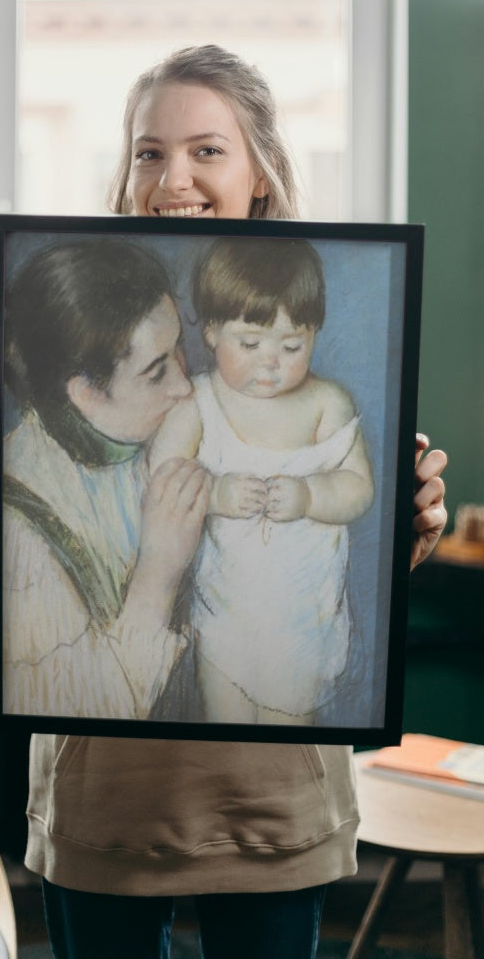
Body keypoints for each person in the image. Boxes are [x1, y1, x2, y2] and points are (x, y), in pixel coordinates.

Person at [0, 44, 448, 959]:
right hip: (109, 802)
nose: (172, 176)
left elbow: (343, 551)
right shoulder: (78, 353)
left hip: (269, 798)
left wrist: (402, 532)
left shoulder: (311, 358)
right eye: (148, 151)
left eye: (206, 150)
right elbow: (19, 624)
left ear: (260, 170)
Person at [149, 237, 374, 725]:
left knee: (286, 740)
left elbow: (358, 487)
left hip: (302, 619)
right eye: (249, 344)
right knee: (223, 727)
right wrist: (215, 492)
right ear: (211, 331)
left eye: (292, 345)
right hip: (224, 612)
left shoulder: (326, 403)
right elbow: (161, 480)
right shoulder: (198, 402)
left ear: (314, 333)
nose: (270, 361)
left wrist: (313, 494)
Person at [0, 239, 209, 719]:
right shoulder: (23, 521)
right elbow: (80, 709)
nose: (184, 384)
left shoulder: (172, 428)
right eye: (157, 372)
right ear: (85, 394)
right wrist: (157, 575)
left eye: (179, 349)